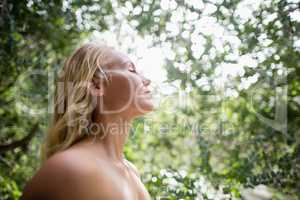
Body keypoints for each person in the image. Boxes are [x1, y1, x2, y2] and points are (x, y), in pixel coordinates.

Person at [21, 42, 153, 200]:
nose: (146, 80)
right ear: (97, 85)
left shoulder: (131, 171)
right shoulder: (70, 168)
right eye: (131, 69)